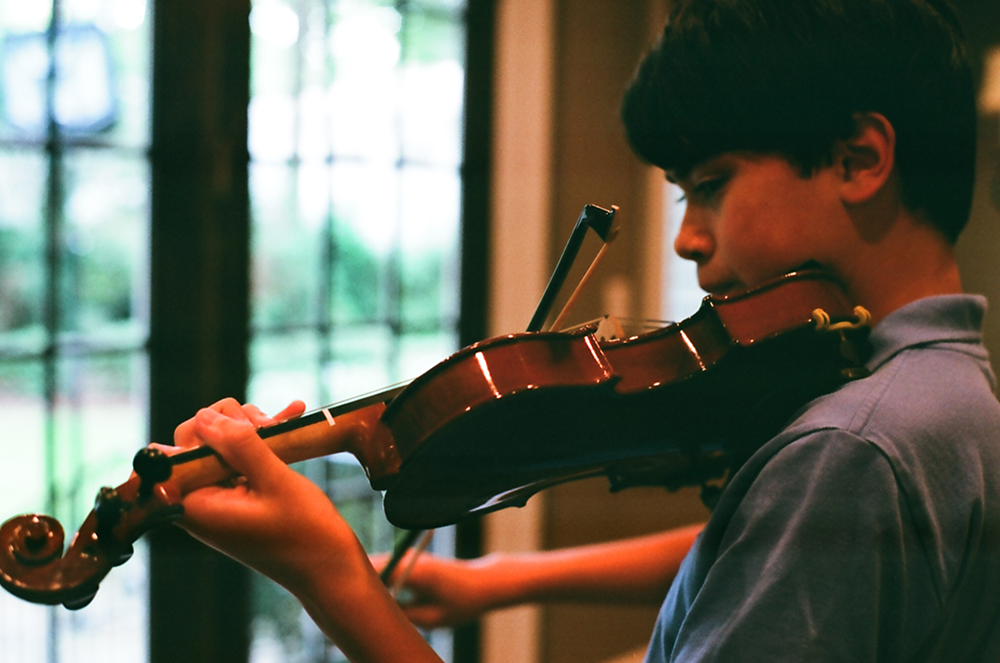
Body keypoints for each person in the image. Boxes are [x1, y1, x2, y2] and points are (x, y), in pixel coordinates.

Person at [173, 0, 1000, 660]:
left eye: (709, 184)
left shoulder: (851, 450)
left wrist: (335, 580)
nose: (687, 236)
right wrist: (499, 579)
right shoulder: (948, 400)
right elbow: (762, 551)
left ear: (859, 159)